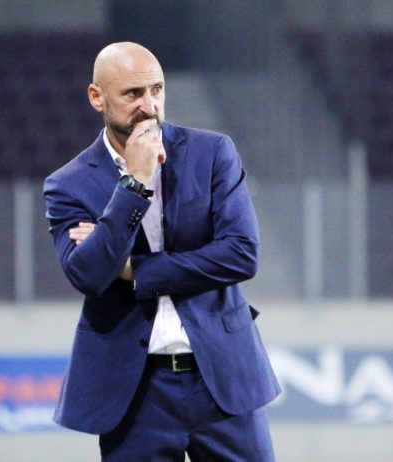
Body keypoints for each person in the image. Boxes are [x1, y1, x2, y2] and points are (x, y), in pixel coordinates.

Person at [44, 41, 281, 461]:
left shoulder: (212, 153)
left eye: (156, 89)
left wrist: (137, 271)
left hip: (223, 379)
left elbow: (241, 254)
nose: (149, 106)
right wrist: (134, 183)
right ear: (97, 97)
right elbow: (90, 275)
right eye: (133, 94)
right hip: (135, 394)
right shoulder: (68, 184)